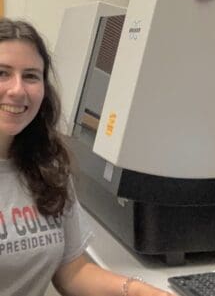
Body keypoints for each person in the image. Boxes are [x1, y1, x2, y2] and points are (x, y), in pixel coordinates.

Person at [0, 18, 174, 296]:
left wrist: (139, 291)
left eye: (31, 76)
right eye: (2, 73)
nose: (17, 89)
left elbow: (73, 271)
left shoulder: (46, 167)